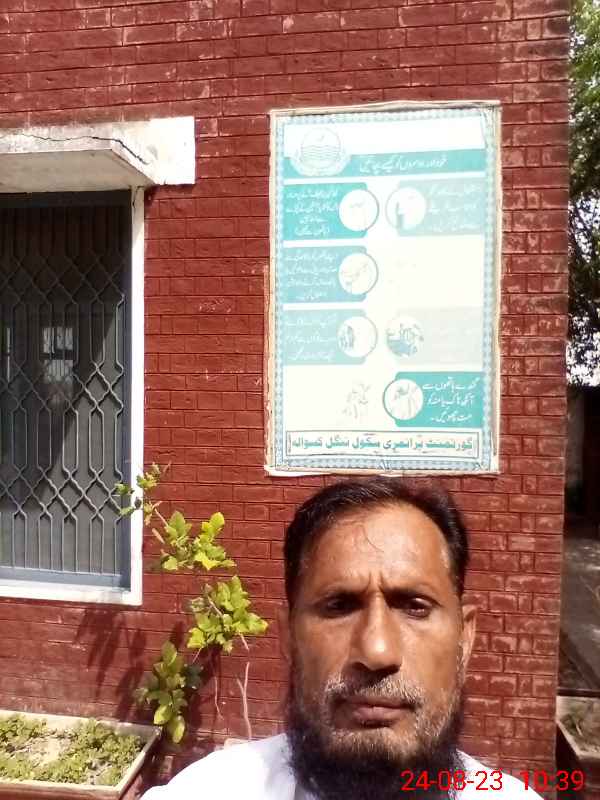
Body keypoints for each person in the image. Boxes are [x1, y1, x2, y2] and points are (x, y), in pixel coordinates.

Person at [141, 477, 541, 799]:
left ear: (464, 639)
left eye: (414, 606)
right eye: (339, 606)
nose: (377, 650)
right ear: (288, 637)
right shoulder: (206, 791)